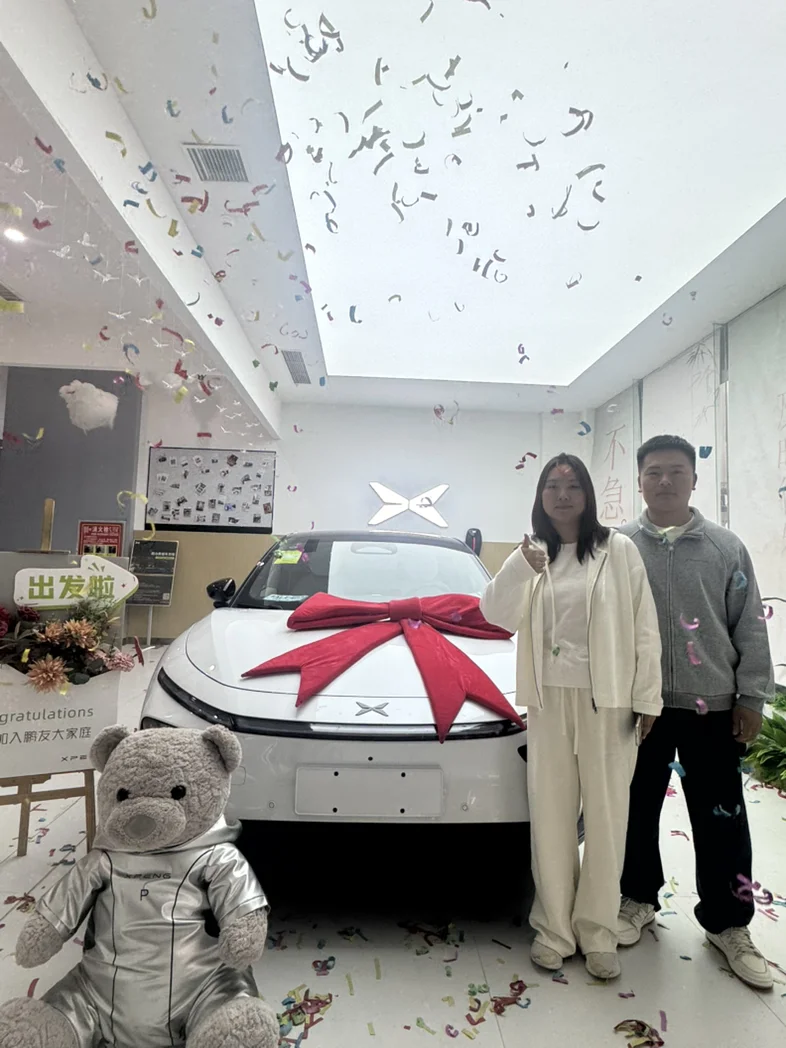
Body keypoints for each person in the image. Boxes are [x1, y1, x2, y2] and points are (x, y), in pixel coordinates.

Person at [480, 453, 662, 980]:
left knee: (606, 817)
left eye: (573, 485)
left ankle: (598, 931)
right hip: (548, 702)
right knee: (552, 814)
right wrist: (519, 567)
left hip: (610, 702)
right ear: (540, 496)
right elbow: (495, 614)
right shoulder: (531, 553)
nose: (562, 495)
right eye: (552, 486)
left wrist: (647, 698)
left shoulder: (618, 550)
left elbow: (644, 626)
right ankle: (554, 929)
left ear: (587, 495)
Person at [617, 434, 775, 990]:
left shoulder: (725, 547)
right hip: (639, 706)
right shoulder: (618, 547)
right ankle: (635, 897)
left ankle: (729, 924)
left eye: (676, 471)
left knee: (721, 819)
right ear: (640, 480)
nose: (665, 481)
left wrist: (752, 697)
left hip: (714, 707)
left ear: (693, 479)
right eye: (654, 472)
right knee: (634, 809)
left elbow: (749, 623)